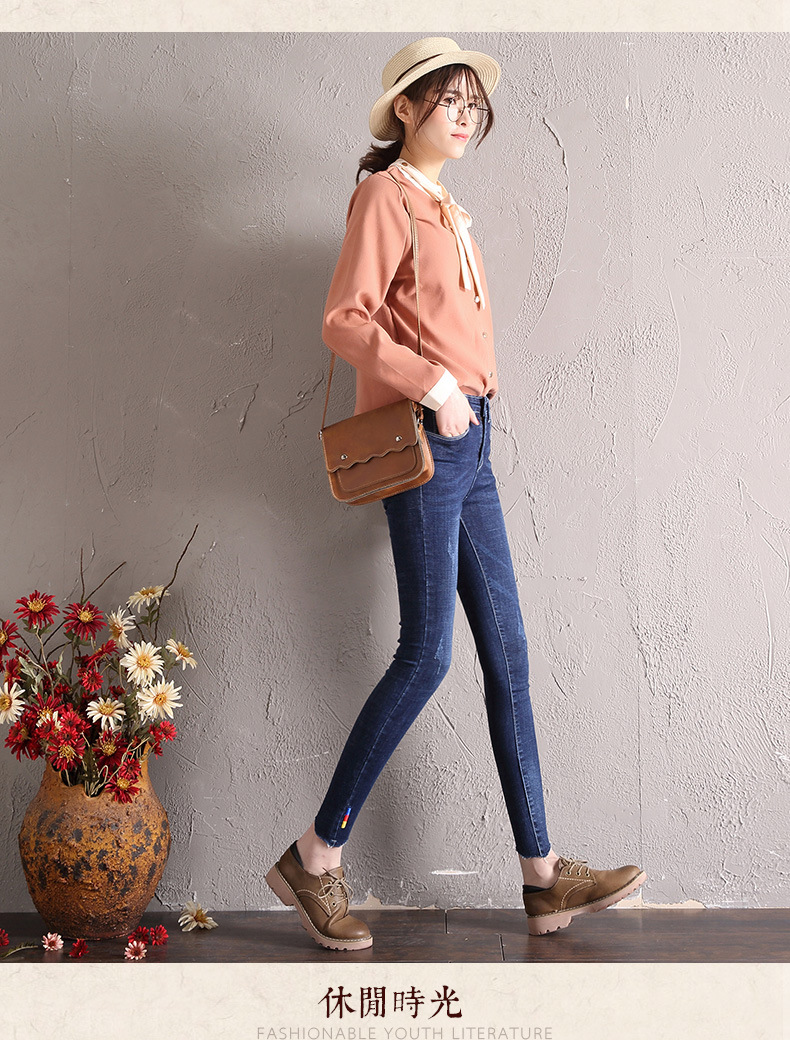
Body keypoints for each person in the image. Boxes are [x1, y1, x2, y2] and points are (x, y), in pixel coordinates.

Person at [266, 36, 647, 951]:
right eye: (450, 98)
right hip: (427, 436)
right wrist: (435, 387)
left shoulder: (446, 207)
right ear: (406, 108)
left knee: (508, 654)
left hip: (473, 438)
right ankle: (315, 856)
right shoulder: (385, 196)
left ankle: (543, 880)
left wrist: (467, 401)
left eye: (476, 103)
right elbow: (344, 319)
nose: (467, 115)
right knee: (427, 654)